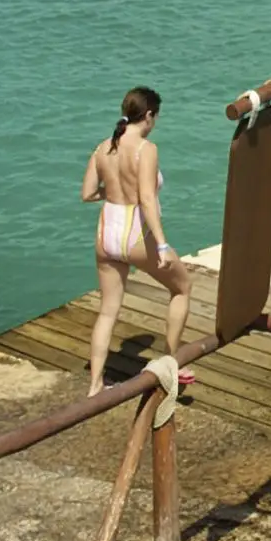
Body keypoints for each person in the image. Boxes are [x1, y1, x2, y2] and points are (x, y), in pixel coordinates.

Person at [80, 87, 194, 397]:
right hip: (134, 232)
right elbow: (145, 197)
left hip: (107, 231)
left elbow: (88, 193)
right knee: (182, 288)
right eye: (156, 117)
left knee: (107, 310)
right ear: (148, 116)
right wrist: (161, 244)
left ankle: (94, 385)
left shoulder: (103, 147)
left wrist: (114, 194)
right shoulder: (146, 149)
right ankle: (172, 363)